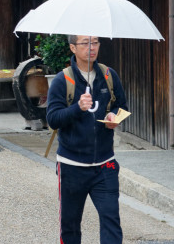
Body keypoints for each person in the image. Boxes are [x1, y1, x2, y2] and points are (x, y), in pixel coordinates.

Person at [45, 35, 128, 244]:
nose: (92, 48)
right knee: (70, 226)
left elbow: (123, 106)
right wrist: (77, 108)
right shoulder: (63, 80)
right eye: (85, 43)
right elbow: (53, 119)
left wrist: (114, 117)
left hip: (105, 164)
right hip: (72, 166)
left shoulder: (109, 75)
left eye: (96, 42)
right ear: (73, 47)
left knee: (111, 221)